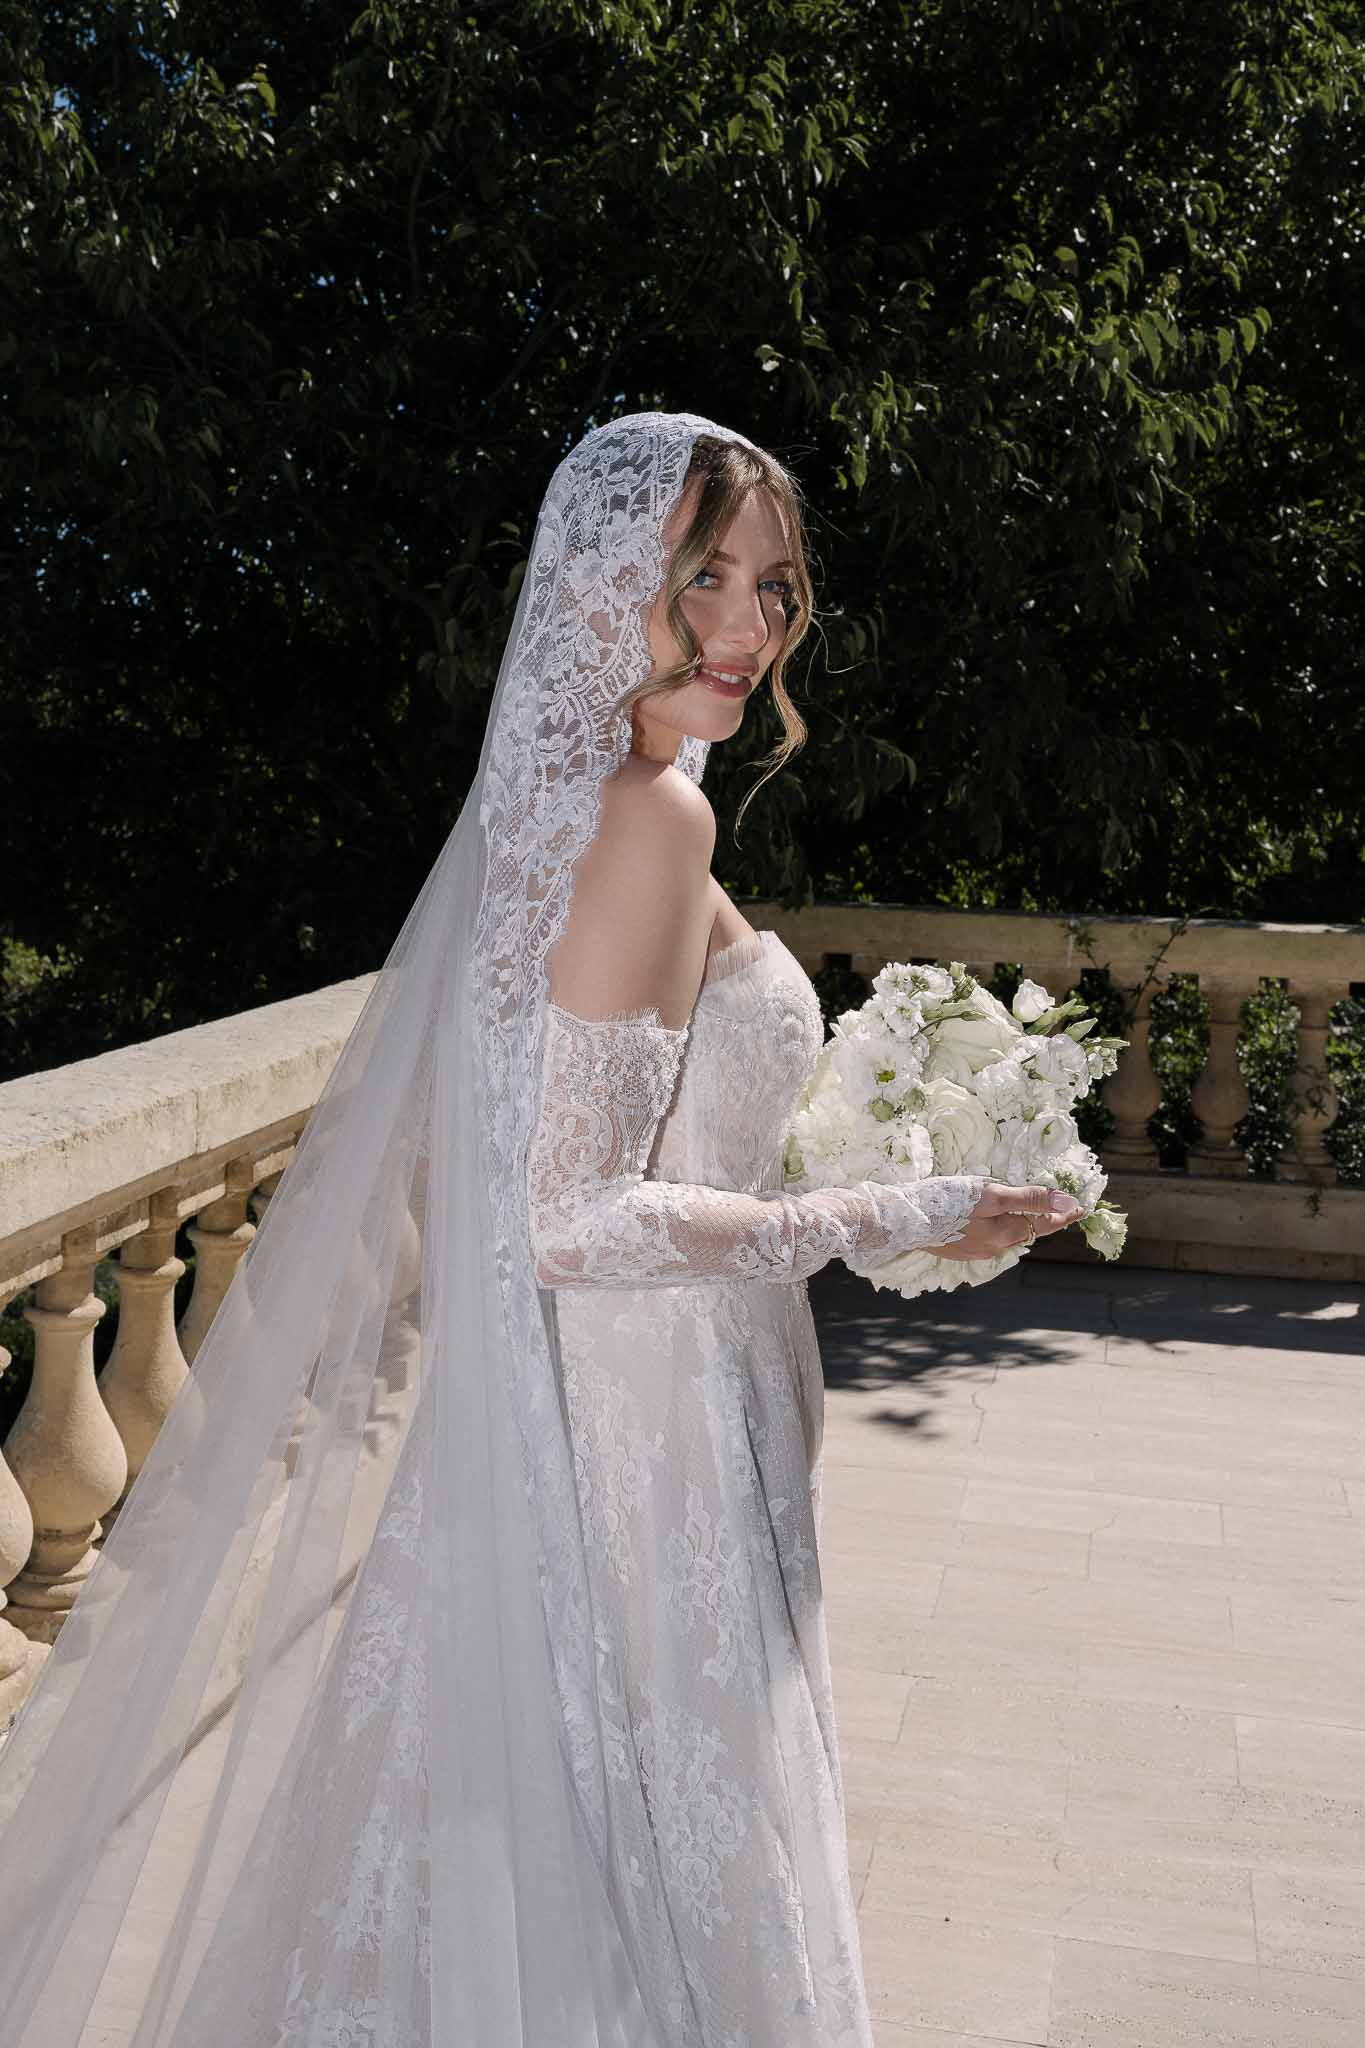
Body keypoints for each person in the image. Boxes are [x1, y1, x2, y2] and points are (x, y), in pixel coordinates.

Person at [0, 410, 1079, 2047]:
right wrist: (898, 1200)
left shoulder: (587, 793)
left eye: (774, 588)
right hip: (644, 1435)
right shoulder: (646, 819)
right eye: (698, 578)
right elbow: (569, 1217)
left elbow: (592, 1132)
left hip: (617, 1403)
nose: (743, 626)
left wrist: (842, 1153)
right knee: (656, 1858)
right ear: (598, 590)